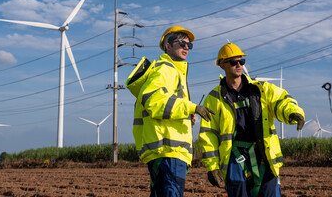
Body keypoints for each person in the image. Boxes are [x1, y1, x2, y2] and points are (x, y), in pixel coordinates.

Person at [198, 43, 305, 197]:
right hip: (234, 157)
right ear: (222, 65)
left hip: (264, 154)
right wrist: (212, 166)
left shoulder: (261, 89)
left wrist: (293, 112)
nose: (239, 65)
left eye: (242, 62)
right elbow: (208, 135)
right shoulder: (214, 98)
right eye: (234, 62)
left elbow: (281, 100)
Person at [126, 26, 215, 197]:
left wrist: (187, 116)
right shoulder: (166, 69)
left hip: (167, 152)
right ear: (167, 45)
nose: (186, 47)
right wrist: (191, 107)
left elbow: (166, 105)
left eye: (189, 45)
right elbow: (155, 101)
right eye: (182, 43)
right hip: (168, 151)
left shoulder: (173, 72)